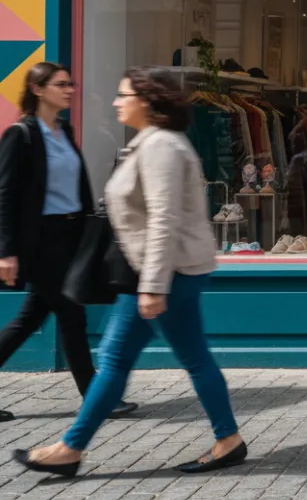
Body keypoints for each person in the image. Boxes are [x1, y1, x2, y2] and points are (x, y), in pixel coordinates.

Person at [14, 67, 246, 478]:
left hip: (164, 275)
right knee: (182, 358)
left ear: (148, 101)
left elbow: (163, 219)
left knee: (121, 359)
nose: (116, 102)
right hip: (161, 274)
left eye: (124, 95)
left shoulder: (161, 148)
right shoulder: (150, 143)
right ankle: (227, 439)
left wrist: (153, 286)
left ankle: (71, 448)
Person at [0, 62, 136, 422]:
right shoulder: (21, 134)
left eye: (71, 83)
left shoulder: (64, 130)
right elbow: (5, 196)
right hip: (42, 240)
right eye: (61, 84)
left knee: (31, 319)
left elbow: (76, 187)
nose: (70, 89)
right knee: (71, 316)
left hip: (71, 235)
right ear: (38, 89)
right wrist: (6, 251)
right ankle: (97, 397)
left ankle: (97, 396)